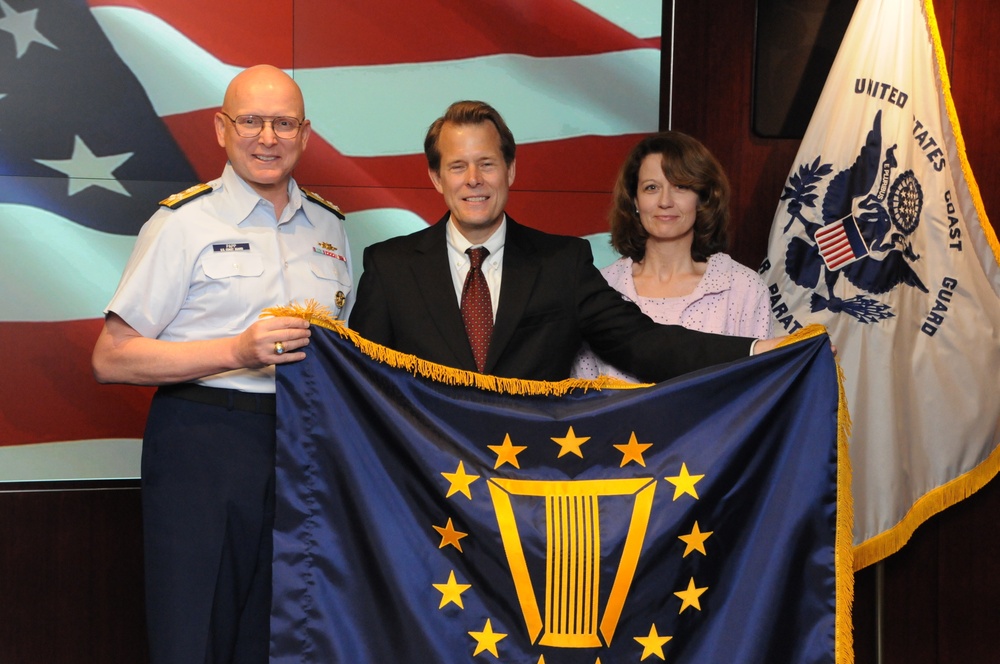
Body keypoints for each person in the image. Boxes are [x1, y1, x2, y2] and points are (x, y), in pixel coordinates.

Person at [91, 65, 352, 664]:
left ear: (305, 134)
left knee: (283, 631)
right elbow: (111, 357)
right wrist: (235, 351)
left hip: (301, 449)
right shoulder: (182, 223)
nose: (268, 137)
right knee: (194, 629)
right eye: (251, 121)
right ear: (221, 129)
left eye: (284, 123)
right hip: (203, 440)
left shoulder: (332, 228)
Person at [349, 100, 784, 382]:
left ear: (511, 170)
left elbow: (645, 343)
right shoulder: (390, 267)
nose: (474, 180)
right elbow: (360, 384)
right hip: (421, 499)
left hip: (529, 495)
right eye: (458, 166)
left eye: (487, 163)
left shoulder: (563, 263)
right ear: (436, 178)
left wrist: (760, 349)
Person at [573, 131, 772, 381]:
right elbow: (580, 397)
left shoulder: (743, 288)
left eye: (681, 186)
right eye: (652, 187)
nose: (665, 201)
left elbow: (762, 389)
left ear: (702, 198)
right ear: (634, 199)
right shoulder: (601, 288)